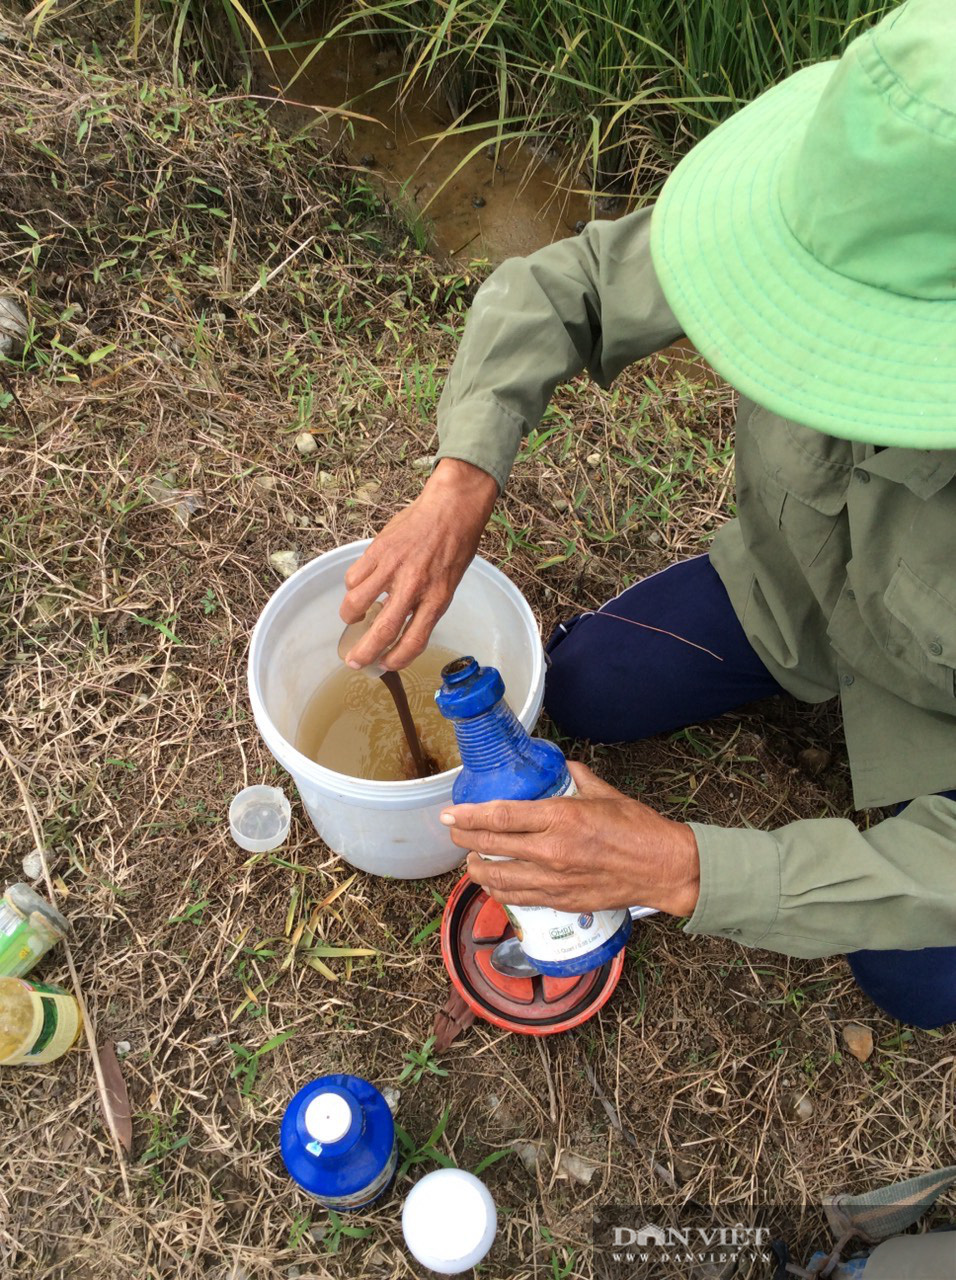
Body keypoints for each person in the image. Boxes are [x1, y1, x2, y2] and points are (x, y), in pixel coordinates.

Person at [340, 0, 956, 1029]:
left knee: (911, 980)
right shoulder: (820, 204)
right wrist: (460, 478)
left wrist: (682, 865)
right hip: (783, 594)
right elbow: (569, 282)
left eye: (854, 343)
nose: (804, 351)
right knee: (583, 686)